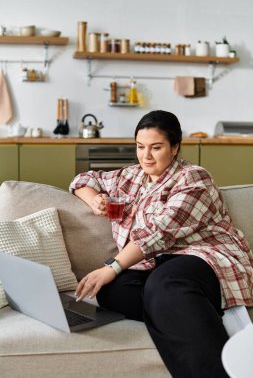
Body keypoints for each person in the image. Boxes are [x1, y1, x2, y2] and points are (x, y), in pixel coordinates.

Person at [69, 110, 253, 378]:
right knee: (113, 291)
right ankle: (193, 311)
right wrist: (94, 199)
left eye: (156, 147)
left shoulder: (194, 178)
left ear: (175, 147)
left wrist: (112, 266)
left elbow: (160, 233)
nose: (146, 156)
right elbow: (83, 179)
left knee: (164, 284)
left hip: (203, 258)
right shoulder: (131, 176)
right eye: (140, 147)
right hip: (155, 265)